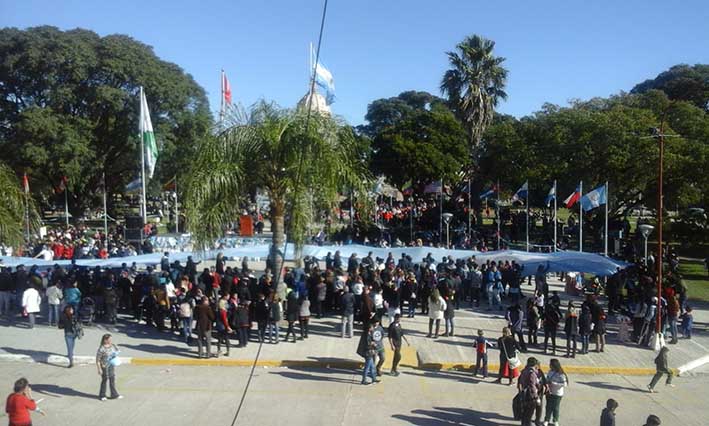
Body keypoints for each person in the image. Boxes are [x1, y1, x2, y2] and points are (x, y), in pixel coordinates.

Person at [95, 333, 122, 401]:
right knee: (105, 380)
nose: (111, 340)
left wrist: (116, 353)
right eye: (109, 339)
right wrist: (99, 369)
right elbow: (98, 360)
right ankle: (102, 395)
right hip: (104, 366)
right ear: (105, 340)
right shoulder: (101, 349)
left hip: (111, 365)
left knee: (112, 379)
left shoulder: (112, 345)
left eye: (111, 339)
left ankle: (114, 394)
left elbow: (117, 350)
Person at [543, 359, 568, 426]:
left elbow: (564, 384)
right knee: (548, 407)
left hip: (557, 393)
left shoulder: (561, 374)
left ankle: (555, 420)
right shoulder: (550, 372)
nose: (549, 365)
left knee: (555, 408)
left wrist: (554, 383)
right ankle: (546, 420)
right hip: (549, 392)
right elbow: (547, 378)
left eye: (550, 364)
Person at [518, 357, 541, 426]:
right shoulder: (532, 373)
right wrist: (536, 397)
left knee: (525, 413)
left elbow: (520, 382)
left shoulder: (524, 370)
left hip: (524, 393)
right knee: (529, 414)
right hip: (530, 396)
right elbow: (532, 386)